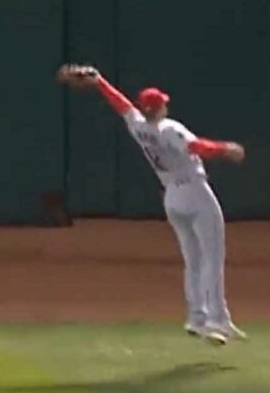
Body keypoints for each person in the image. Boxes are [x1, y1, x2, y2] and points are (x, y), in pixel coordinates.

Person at [57, 64, 248, 345]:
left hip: (171, 198)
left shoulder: (138, 127)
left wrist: (100, 82)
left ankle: (197, 318)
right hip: (195, 193)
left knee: (193, 259)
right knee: (212, 257)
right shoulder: (169, 128)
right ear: (159, 107)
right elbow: (196, 148)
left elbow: (121, 105)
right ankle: (216, 320)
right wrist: (226, 149)